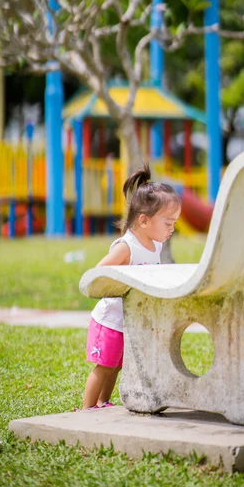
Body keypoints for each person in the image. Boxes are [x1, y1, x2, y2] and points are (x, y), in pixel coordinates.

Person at [80, 163, 181, 410]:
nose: (172, 229)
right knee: (104, 366)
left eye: (174, 223)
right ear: (144, 221)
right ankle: (85, 409)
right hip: (109, 320)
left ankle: (103, 403)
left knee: (115, 365)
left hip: (128, 321)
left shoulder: (155, 244)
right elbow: (99, 272)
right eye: (168, 223)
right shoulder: (126, 247)